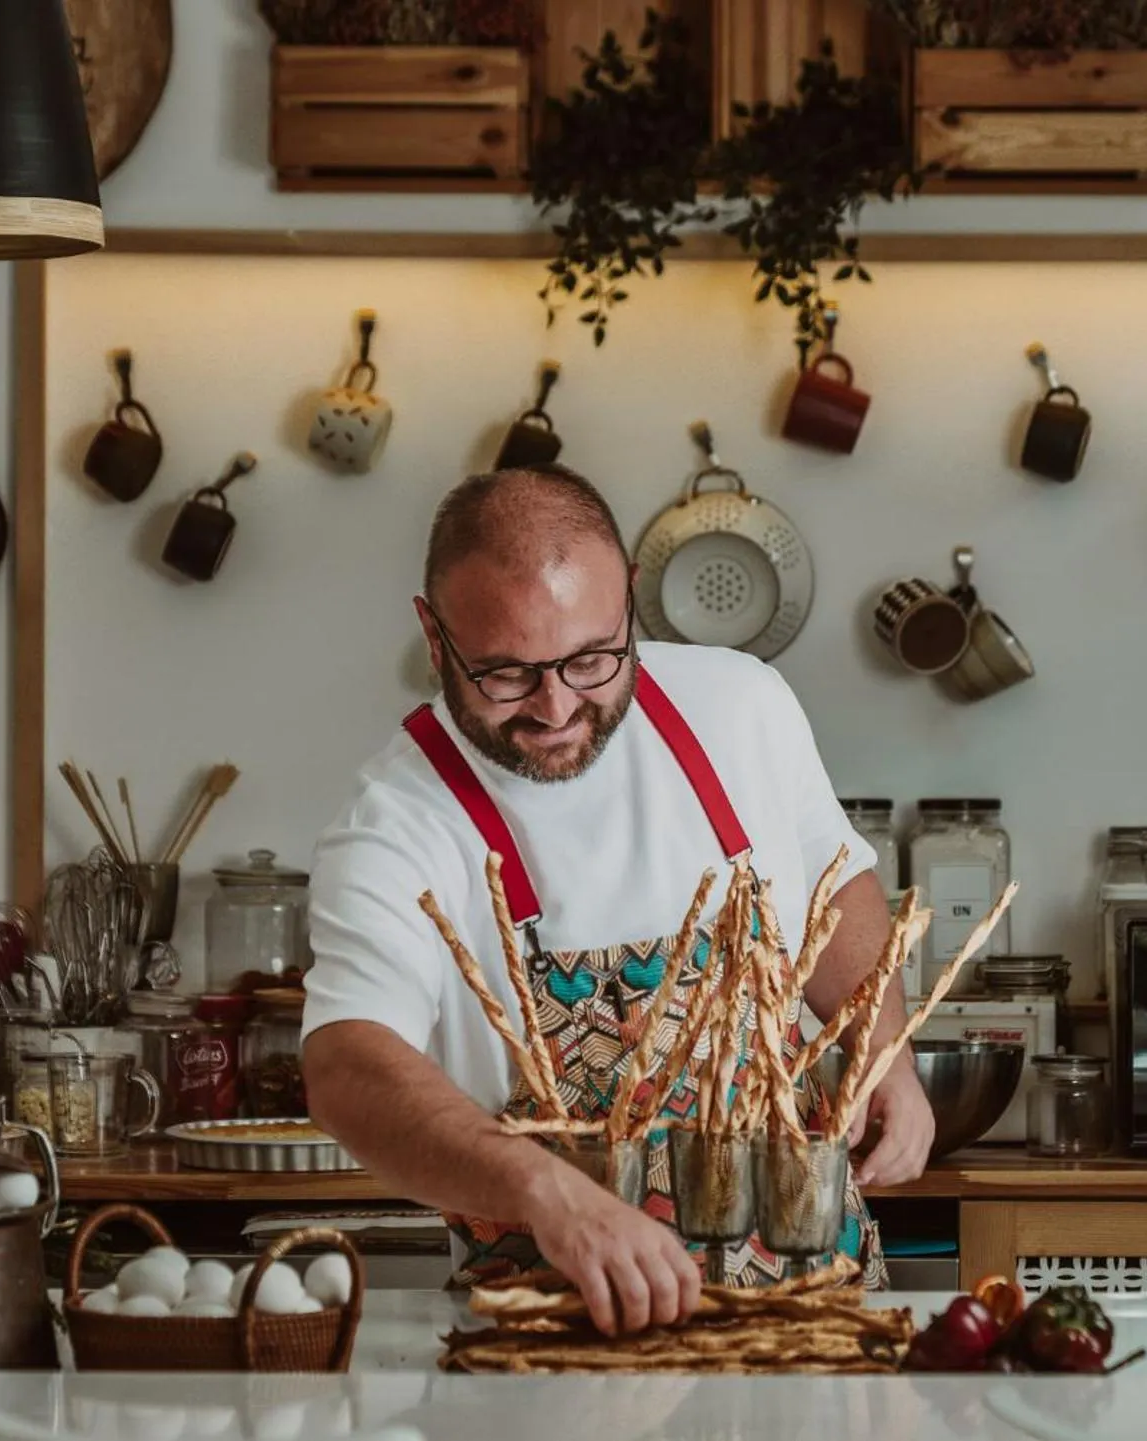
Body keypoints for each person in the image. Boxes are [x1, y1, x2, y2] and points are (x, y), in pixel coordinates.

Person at [299, 465, 933, 1337]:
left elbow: (833, 885)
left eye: (592, 658)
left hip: (811, 1316)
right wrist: (543, 1185)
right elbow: (344, 1063)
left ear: (630, 601)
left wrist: (884, 1045)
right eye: (505, 674)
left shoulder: (739, 705)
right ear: (433, 634)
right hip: (563, 1344)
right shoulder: (397, 824)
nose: (557, 706)